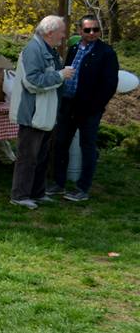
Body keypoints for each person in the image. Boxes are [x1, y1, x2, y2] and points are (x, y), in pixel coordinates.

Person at [46, 15, 119, 203]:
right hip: (68, 104)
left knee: (87, 147)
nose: (92, 33)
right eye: (88, 30)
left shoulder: (106, 53)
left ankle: (82, 188)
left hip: (89, 109)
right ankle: (58, 183)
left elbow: (110, 85)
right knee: (61, 143)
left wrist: (95, 107)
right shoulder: (74, 48)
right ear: (80, 31)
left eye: (95, 29)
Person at [8, 15, 74, 210]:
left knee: (42, 156)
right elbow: (33, 81)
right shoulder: (33, 50)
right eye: (61, 32)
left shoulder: (48, 50)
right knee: (27, 157)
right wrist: (61, 75)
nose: (63, 36)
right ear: (49, 32)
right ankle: (19, 196)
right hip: (33, 113)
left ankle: (37, 192)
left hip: (45, 113)